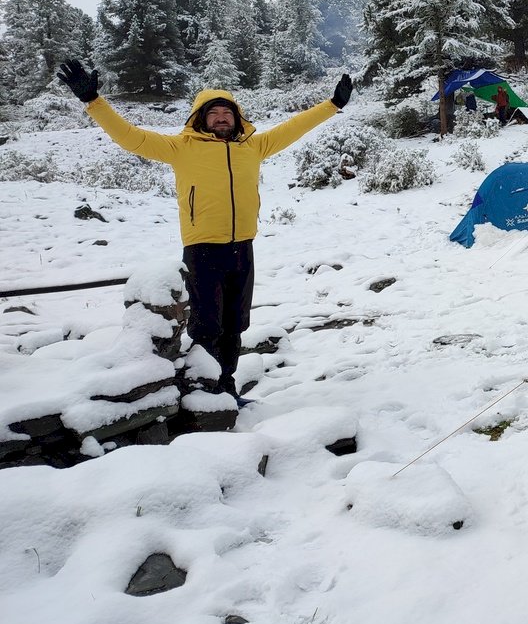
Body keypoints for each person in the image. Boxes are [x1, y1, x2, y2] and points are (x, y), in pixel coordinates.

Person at [56, 59, 353, 405]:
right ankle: (202, 392)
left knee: (236, 325)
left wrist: (333, 105)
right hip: (202, 251)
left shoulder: (253, 146)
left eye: (227, 111)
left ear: (237, 117)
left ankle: (226, 388)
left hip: (243, 247)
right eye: (214, 113)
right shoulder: (181, 148)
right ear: (201, 118)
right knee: (206, 325)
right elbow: (130, 138)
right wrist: (93, 101)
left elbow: (293, 127)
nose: (222, 117)